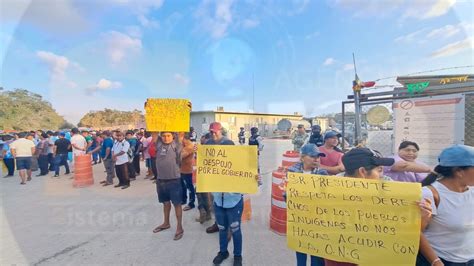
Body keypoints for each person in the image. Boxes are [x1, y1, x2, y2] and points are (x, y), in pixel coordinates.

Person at [323, 148, 432, 266]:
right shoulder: (331, 196)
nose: (382, 175)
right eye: (378, 170)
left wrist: (422, 219)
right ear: (362, 172)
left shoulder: (392, 195)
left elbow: (405, 234)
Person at [418, 145, 474, 266]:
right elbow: (417, 233)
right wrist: (436, 262)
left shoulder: (471, 191)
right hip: (442, 260)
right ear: (459, 171)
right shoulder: (430, 194)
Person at [205, 122, 244, 266]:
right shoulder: (208, 143)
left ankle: (238, 255)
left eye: (215, 131)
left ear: (220, 130)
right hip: (218, 196)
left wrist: (253, 176)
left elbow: (240, 165)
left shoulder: (229, 143)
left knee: (235, 229)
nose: (213, 133)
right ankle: (223, 252)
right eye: (211, 131)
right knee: (221, 228)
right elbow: (206, 165)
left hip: (232, 198)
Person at [286, 144, 328, 266]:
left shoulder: (323, 174)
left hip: (317, 220)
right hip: (299, 219)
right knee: (300, 251)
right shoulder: (292, 173)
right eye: (312, 156)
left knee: (317, 254)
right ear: (302, 157)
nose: (316, 159)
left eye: (318, 157)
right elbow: (285, 193)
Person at [152, 132, 184, 241]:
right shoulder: (159, 145)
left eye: (168, 136)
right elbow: (154, 132)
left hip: (174, 180)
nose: (166, 138)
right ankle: (166, 223)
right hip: (161, 180)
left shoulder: (176, 145)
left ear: (173, 136)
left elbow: (181, 132)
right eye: (164, 136)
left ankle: (179, 227)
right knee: (165, 204)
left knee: (177, 204)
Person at [195, 132, 213, 223]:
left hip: (207, 175)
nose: (201, 140)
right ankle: (207, 212)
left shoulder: (207, 145)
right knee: (204, 193)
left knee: (202, 193)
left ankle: (204, 211)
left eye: (202, 138)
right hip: (208, 174)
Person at [180, 132, 196, 211]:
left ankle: (191, 203)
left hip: (187, 170)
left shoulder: (189, 147)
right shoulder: (185, 145)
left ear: (184, 138)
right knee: (182, 186)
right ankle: (183, 199)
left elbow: (181, 156)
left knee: (189, 187)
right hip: (182, 169)